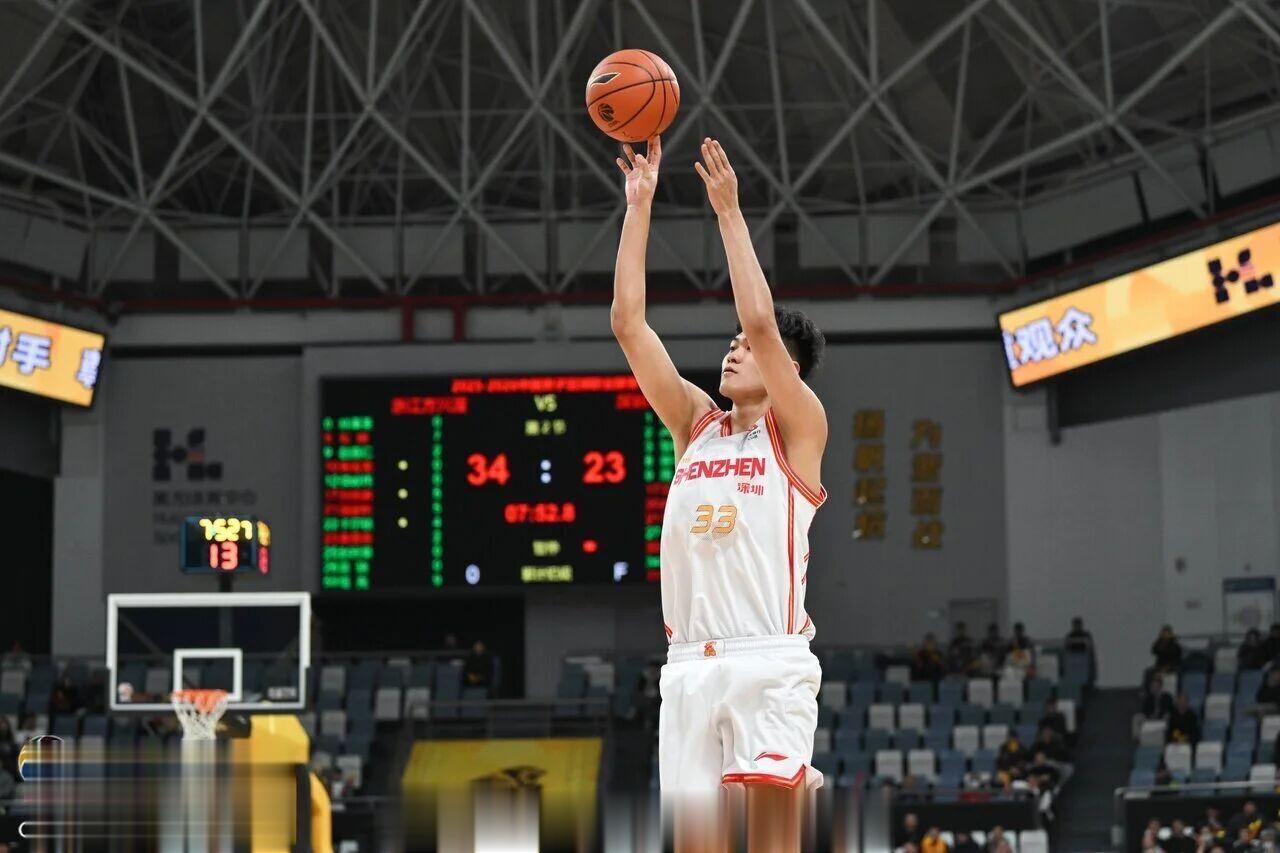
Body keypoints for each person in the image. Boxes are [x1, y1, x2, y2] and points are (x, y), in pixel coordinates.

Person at [614, 135, 829, 852]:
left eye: (750, 346)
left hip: (768, 661)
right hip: (687, 669)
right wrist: (639, 208)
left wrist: (729, 212)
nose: (735, 346)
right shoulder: (694, 425)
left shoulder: (799, 429)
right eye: (730, 341)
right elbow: (628, 325)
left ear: (786, 369)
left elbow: (763, 324)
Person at [1065, 616, 1097, 683]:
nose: (1077, 626)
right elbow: (1066, 649)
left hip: (1084, 661)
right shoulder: (1070, 636)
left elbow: (1091, 650)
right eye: (1075, 625)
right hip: (1073, 662)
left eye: (1078, 624)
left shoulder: (1086, 636)